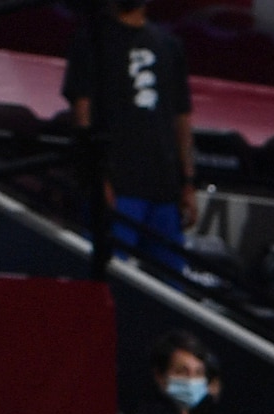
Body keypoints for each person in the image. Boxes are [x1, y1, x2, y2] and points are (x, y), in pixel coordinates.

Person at [70, 0, 196, 270]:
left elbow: (181, 117)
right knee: (110, 272)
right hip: (118, 184)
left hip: (164, 186)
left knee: (170, 281)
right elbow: (82, 111)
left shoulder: (169, 45)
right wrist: (96, 177)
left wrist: (187, 181)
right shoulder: (93, 40)